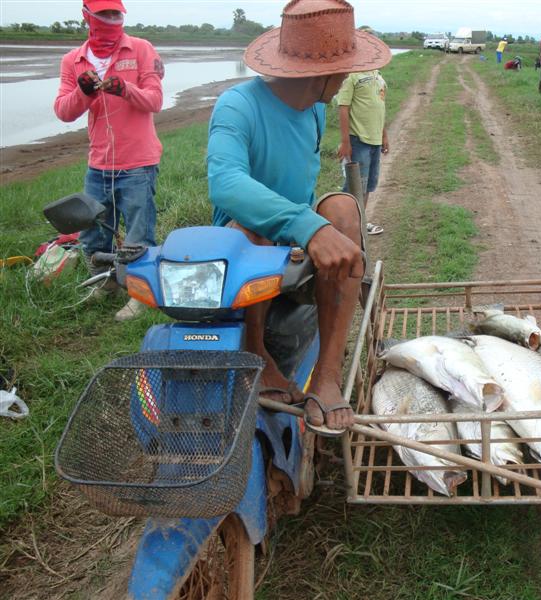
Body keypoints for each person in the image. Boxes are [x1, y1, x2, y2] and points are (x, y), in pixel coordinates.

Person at [207, 0, 391, 435]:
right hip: (245, 249)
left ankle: (326, 377)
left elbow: (301, 189)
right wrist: (306, 226)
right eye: (344, 68)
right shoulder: (237, 106)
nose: (347, 76)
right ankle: (256, 352)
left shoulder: (315, 107)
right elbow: (227, 184)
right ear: (319, 73)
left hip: (293, 245)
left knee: (343, 208)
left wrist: (316, 226)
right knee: (251, 229)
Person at [54, 0, 164, 321]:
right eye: (105, 14)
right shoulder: (73, 60)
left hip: (138, 163)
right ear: (88, 17)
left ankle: (140, 294)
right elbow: (63, 111)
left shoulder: (142, 49)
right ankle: (105, 284)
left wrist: (125, 89)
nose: (113, 19)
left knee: (138, 234)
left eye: (117, 13)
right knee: (93, 233)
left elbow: (155, 100)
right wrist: (83, 92)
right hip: (98, 164)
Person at [336, 69, 388, 236]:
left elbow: (380, 108)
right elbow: (343, 107)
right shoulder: (351, 76)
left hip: (375, 140)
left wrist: (384, 135)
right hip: (358, 139)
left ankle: (360, 222)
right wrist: (345, 142)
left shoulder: (378, 75)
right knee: (354, 185)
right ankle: (341, 225)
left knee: (367, 186)